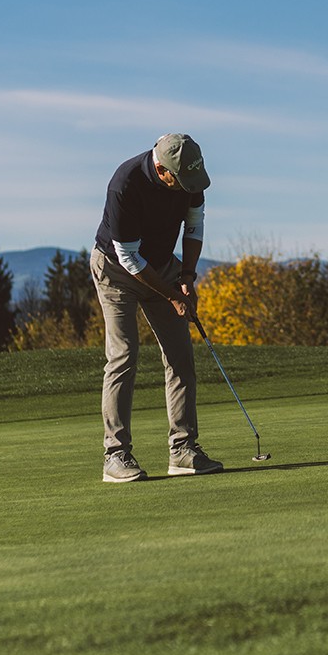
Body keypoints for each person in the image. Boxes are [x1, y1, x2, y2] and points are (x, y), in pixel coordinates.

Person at [90, 133, 224, 482]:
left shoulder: (190, 177)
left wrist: (187, 277)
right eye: (180, 182)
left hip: (162, 264)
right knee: (124, 355)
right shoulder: (125, 184)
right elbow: (129, 258)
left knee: (180, 355)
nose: (188, 188)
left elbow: (194, 228)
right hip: (116, 271)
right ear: (162, 170)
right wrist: (171, 294)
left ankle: (183, 450)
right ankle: (115, 455)